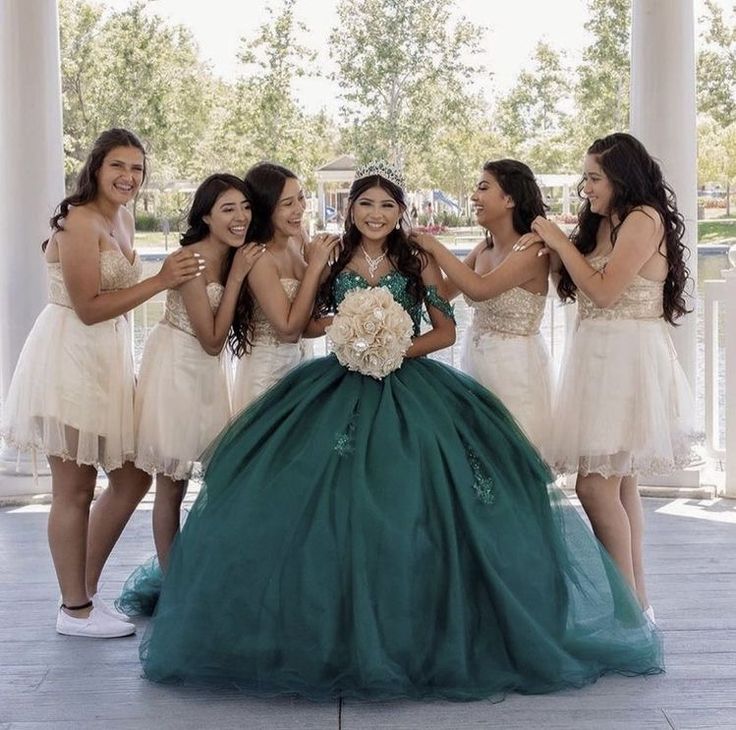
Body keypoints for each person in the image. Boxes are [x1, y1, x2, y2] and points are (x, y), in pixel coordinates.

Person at [139, 161, 662, 701]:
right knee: (329, 502)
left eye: (387, 205)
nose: (376, 214)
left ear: (400, 212)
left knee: (410, 498)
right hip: (337, 384)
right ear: (351, 209)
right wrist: (350, 337)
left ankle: (424, 622)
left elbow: (445, 329)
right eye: (366, 204)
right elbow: (309, 320)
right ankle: (317, 623)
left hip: (408, 385)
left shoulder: (415, 259)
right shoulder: (333, 255)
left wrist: (392, 347)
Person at [0, 128, 201, 638]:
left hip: (107, 362)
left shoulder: (124, 218)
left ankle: (83, 590)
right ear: (96, 168)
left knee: (132, 476)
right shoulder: (77, 222)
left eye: (136, 168)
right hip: (68, 356)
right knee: (74, 487)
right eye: (118, 166)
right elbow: (87, 308)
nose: (128, 177)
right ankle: (74, 610)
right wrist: (161, 280)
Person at [522, 133, 694, 623]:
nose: (586, 187)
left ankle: (624, 611)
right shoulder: (602, 224)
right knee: (621, 486)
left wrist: (558, 240)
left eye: (594, 177)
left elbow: (605, 292)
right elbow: (576, 284)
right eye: (586, 177)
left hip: (626, 361)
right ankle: (638, 603)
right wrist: (549, 250)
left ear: (621, 178)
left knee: (596, 487)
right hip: (596, 358)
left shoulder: (643, 219)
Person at [117, 175, 262, 617]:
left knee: (219, 474)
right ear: (205, 216)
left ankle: (207, 571)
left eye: (245, 208)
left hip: (206, 374)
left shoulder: (232, 254)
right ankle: (174, 584)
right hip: (178, 369)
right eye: (228, 210)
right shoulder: (192, 261)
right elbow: (213, 338)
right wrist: (237, 276)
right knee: (172, 485)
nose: (240, 218)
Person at [414, 159, 553, 452]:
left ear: (510, 198)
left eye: (483, 188)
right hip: (477, 361)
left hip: (514, 369)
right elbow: (444, 291)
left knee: (513, 454)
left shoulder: (532, 249)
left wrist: (434, 246)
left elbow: (480, 290)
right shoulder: (484, 248)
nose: (474, 197)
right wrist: (417, 266)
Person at [230, 163, 339, 412]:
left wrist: (329, 264)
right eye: (287, 204)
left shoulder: (297, 236)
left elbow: (312, 294)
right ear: (266, 209)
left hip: (301, 365)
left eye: (300, 198)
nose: (299, 209)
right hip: (268, 375)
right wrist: (315, 267)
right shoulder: (258, 258)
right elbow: (288, 330)